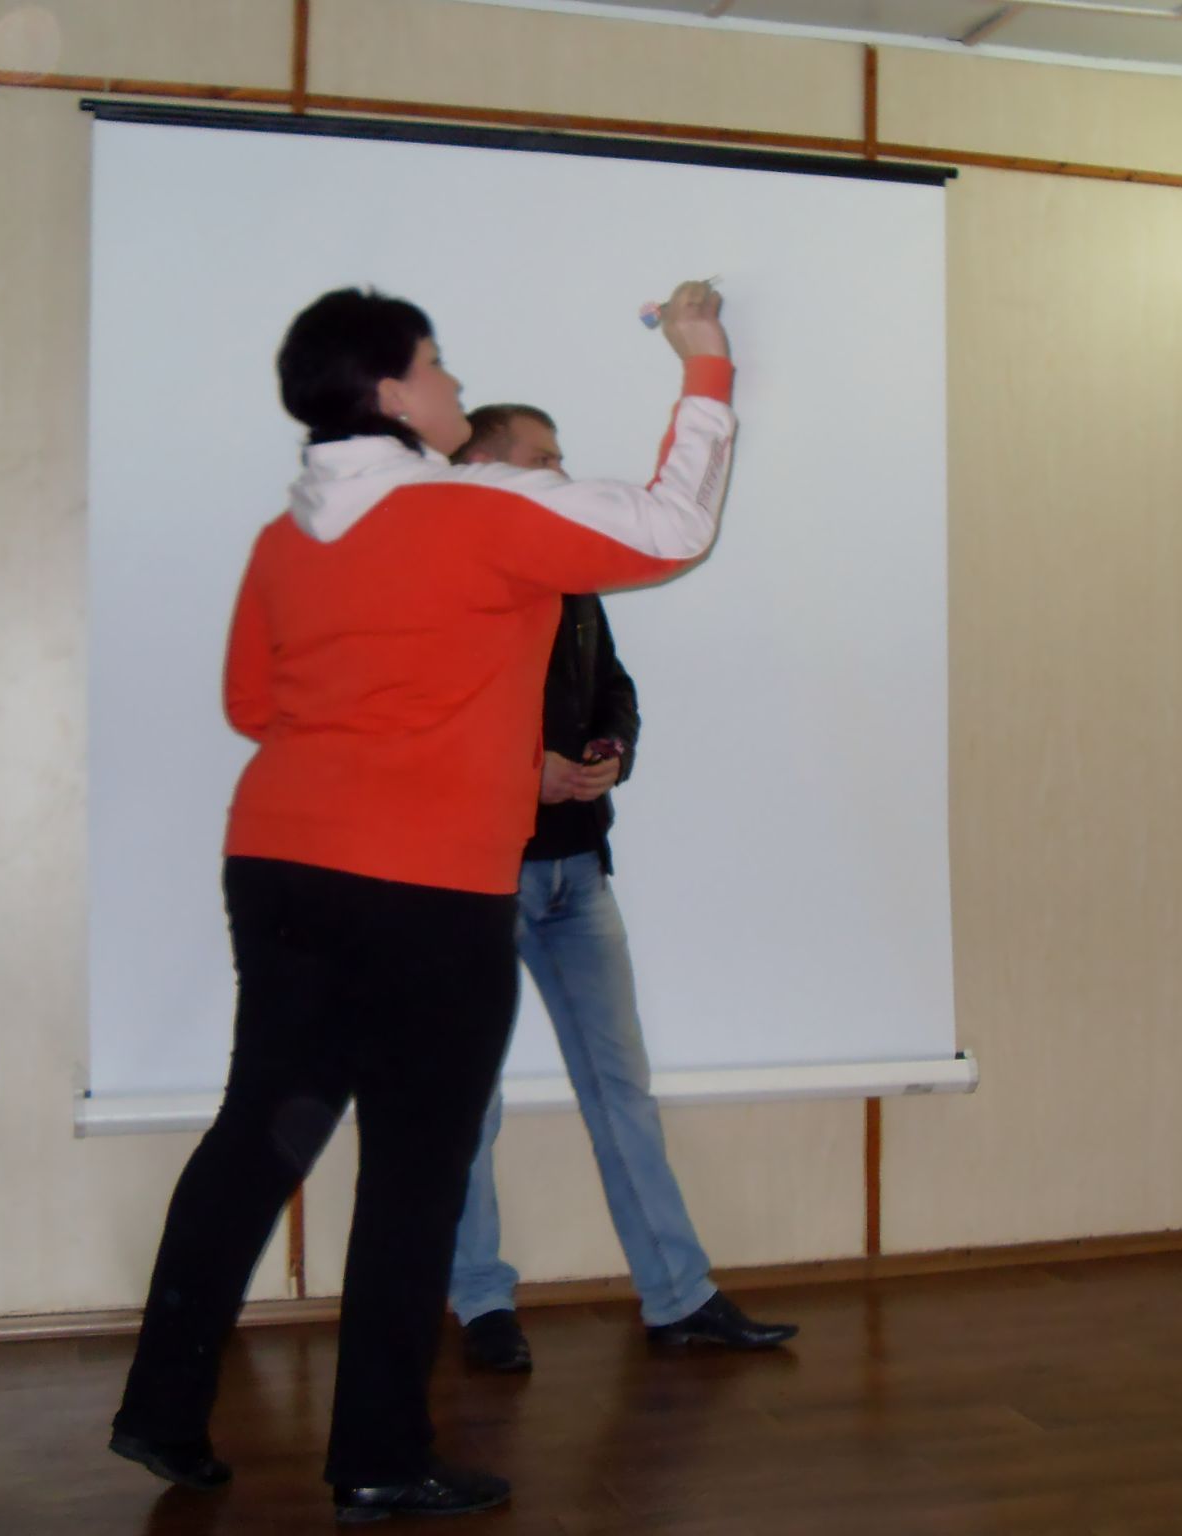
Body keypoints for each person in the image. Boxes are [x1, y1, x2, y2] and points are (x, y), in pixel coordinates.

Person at [108, 281, 736, 1524]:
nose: (453, 383)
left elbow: (250, 705)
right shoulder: (475, 506)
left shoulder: (283, 539)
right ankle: (379, 1456)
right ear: (392, 392)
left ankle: (161, 1407)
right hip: (426, 887)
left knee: (257, 1135)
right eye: (437, 364)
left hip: (279, 863)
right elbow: (673, 526)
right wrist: (705, 364)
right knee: (414, 1167)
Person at [444, 405, 797, 1374]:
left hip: (577, 874)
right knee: (468, 1099)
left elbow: (614, 686)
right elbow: (435, 721)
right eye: (545, 456)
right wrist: (528, 773)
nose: (563, 472)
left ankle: (679, 1296)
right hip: (480, 874)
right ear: (485, 464)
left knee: (620, 1090)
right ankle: (480, 1302)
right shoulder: (457, 575)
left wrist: (609, 748)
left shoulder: (571, 575)